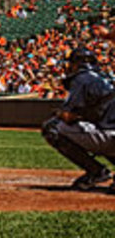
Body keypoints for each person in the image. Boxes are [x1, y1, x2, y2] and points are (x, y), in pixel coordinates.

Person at [40, 47, 115, 191]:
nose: (69, 66)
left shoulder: (82, 79)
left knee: (52, 127)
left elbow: (68, 116)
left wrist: (58, 113)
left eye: (72, 62)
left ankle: (96, 172)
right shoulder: (106, 77)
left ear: (78, 63)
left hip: (108, 136)